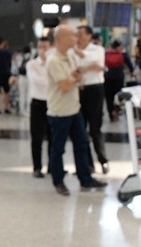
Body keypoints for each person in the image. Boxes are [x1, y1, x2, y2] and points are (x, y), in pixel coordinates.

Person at [46, 24, 108, 196]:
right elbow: (65, 85)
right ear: (62, 39)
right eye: (73, 36)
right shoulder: (54, 61)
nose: (76, 39)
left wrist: (76, 77)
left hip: (74, 109)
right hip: (59, 112)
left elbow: (77, 78)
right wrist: (76, 77)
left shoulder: (71, 57)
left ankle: (85, 178)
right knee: (58, 148)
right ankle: (58, 180)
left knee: (81, 143)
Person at [73, 24, 109, 175]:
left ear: (89, 36)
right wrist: (86, 67)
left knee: (95, 129)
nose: (78, 38)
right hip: (78, 90)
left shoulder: (97, 49)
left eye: (81, 34)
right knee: (81, 130)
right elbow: (74, 68)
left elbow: (98, 66)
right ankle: (87, 165)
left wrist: (83, 68)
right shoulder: (72, 51)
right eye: (77, 35)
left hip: (94, 90)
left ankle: (103, 160)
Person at [27, 37, 52, 178]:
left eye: (46, 47)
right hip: (37, 103)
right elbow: (38, 81)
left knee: (53, 137)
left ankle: (52, 166)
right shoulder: (32, 64)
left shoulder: (54, 63)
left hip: (52, 103)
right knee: (36, 137)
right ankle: (37, 167)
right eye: (40, 47)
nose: (43, 50)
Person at [104, 40, 134, 121]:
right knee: (118, 95)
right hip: (119, 77)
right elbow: (129, 64)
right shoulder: (123, 53)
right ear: (119, 45)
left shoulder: (106, 53)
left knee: (108, 96)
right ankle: (116, 111)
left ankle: (110, 112)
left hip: (107, 77)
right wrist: (132, 72)